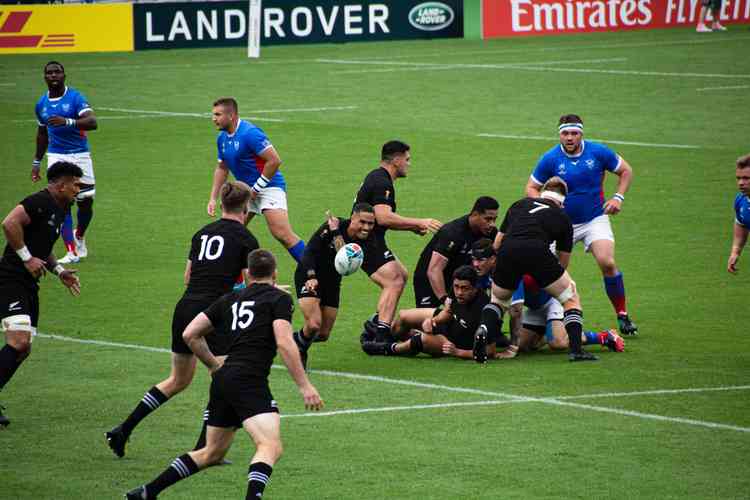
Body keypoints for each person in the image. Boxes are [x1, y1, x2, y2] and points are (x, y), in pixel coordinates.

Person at [124, 249, 323, 500]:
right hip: (249, 380)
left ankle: (147, 492)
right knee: (270, 446)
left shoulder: (230, 299)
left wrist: (214, 366)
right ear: (275, 273)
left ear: (248, 274)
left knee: (212, 453)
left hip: (223, 380)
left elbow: (190, 334)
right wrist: (305, 385)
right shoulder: (279, 299)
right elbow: (284, 341)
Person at [106, 181, 259, 457]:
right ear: (246, 207)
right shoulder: (245, 238)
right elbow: (251, 284)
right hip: (213, 313)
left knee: (178, 379)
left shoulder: (201, 233)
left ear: (223, 205)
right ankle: (204, 448)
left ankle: (123, 430)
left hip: (185, 307)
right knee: (224, 377)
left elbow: (188, 276)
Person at [526, 114, 638, 336]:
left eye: (574, 133)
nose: (569, 137)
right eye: (565, 133)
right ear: (559, 134)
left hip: (593, 218)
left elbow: (626, 170)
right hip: (559, 225)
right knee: (551, 271)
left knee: (607, 262)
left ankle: (623, 315)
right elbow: (531, 187)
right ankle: (543, 316)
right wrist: (546, 209)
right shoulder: (550, 158)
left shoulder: (598, 152)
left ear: (581, 134)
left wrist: (618, 197)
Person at [0, 162, 83, 427]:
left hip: (29, 283)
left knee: (23, 350)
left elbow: (42, 246)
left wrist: (59, 270)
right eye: (75, 184)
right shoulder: (38, 202)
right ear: (61, 184)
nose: (78, 189)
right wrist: (25, 258)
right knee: (19, 341)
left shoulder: (61, 208)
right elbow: (9, 222)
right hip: (11, 278)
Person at [491, 176, 597, 362]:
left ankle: (601, 337)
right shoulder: (562, 217)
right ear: (562, 203)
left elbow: (497, 243)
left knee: (557, 342)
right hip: (538, 293)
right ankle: (567, 346)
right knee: (526, 345)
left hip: (549, 296)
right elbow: (563, 263)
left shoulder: (519, 206)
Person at [354, 140, 442, 342]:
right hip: (366, 240)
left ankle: (376, 321)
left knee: (400, 274)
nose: (409, 164)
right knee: (394, 280)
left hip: (371, 239)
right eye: (407, 159)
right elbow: (383, 217)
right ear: (396, 160)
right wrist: (420, 221)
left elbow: (383, 218)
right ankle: (382, 334)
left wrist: (413, 227)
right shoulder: (382, 182)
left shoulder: (377, 177)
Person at [207, 97, 305, 263]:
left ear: (231, 115)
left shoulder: (250, 133)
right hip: (246, 192)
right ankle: (237, 283)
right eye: (213, 114)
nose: (214, 118)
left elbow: (274, 161)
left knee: (282, 234)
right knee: (231, 234)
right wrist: (213, 198)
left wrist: (256, 189)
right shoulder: (222, 138)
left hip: (268, 187)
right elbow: (222, 168)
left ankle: (316, 270)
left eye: (218, 114)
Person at [292, 204, 376, 368]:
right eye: (362, 222)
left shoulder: (367, 240)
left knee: (323, 334)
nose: (366, 227)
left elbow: (344, 257)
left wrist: (335, 232)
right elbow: (309, 251)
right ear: (353, 217)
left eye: (370, 224)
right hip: (309, 275)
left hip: (332, 282)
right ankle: (298, 349)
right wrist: (311, 276)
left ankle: (292, 340)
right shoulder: (332, 226)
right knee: (314, 324)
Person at [363, 266, 502, 362]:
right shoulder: (457, 291)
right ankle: (385, 335)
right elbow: (449, 311)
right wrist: (434, 321)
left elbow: (490, 350)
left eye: (464, 288)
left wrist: (457, 352)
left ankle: (388, 348)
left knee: (420, 340)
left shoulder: (486, 311)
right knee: (404, 316)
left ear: (476, 288)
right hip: (449, 325)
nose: (459, 292)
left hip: (453, 343)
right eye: (456, 287)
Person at [33, 61, 98, 264]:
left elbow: (92, 122)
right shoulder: (41, 104)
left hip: (79, 154)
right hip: (56, 155)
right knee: (62, 202)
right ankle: (71, 252)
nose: (53, 76)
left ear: (64, 75)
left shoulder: (75, 98)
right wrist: (37, 162)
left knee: (85, 199)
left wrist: (68, 121)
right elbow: (42, 133)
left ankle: (79, 235)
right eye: (49, 73)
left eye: (57, 72)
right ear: (44, 77)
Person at [501, 275, 624, 358]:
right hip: (535, 308)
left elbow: (517, 310)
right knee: (523, 346)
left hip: (554, 302)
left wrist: (511, 349)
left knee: (558, 343)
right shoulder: (502, 272)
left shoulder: (513, 273)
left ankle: (604, 337)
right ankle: (548, 332)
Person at [412, 197, 498, 308]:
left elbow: (496, 259)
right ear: (475, 214)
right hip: (429, 280)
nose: (492, 224)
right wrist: (444, 299)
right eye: (488, 219)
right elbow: (434, 270)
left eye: (494, 219)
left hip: (459, 282)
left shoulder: (490, 233)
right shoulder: (453, 232)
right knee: (426, 320)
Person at [728, 154, 750, 274]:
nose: (741, 182)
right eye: (738, 178)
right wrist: (735, 251)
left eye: (746, 178)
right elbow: (741, 222)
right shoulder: (741, 200)